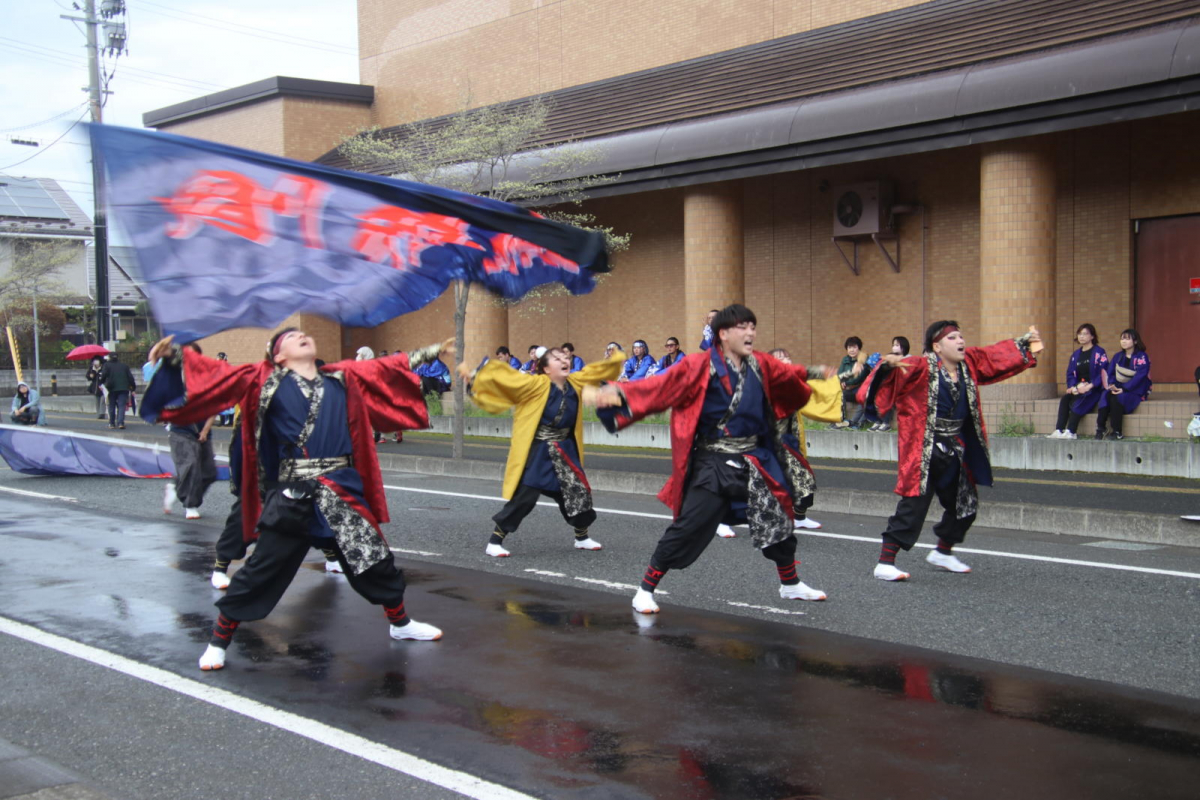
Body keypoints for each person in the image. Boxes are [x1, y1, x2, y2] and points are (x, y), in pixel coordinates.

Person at [142, 327, 451, 671]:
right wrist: (175, 357)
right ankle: (218, 641)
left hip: (341, 490)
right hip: (294, 494)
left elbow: (386, 366)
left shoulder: (340, 378)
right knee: (262, 570)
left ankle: (401, 624)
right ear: (278, 356)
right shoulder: (264, 380)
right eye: (292, 336)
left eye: (306, 333)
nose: (303, 335)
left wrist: (433, 348)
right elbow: (216, 375)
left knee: (376, 561)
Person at [590, 304, 827, 614]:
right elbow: (658, 386)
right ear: (724, 334)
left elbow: (790, 375)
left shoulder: (761, 364)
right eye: (743, 327)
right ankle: (645, 589)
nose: (750, 333)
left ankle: (791, 585)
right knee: (690, 526)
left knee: (778, 522)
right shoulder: (699, 365)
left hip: (756, 461)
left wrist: (820, 373)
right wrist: (615, 394)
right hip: (714, 463)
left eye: (753, 327)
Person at [870, 320, 1041, 581]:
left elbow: (994, 356)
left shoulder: (968, 364)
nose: (960, 341)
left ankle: (943, 551)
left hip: (954, 447)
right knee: (914, 504)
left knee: (966, 505)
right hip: (924, 448)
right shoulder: (919, 366)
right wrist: (886, 366)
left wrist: (1024, 342)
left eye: (961, 336)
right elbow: (887, 380)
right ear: (937, 346)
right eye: (952, 338)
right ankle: (885, 561)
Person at [465, 346, 623, 557]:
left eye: (565, 357)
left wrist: (615, 360)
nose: (564, 359)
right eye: (557, 358)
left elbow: (596, 372)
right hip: (541, 450)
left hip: (566, 449)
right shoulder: (535, 384)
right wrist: (479, 376)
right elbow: (509, 380)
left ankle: (582, 537)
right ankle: (495, 541)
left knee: (576, 493)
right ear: (547, 369)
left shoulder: (574, 383)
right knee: (525, 496)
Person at [161, 346, 218, 520]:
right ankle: (190, 504)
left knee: (209, 473)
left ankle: (177, 486)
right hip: (180, 431)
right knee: (191, 466)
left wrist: (206, 429)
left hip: (203, 430)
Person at [1048, 324, 1107, 440]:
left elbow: (1103, 372)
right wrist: (1073, 387)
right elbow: (1070, 373)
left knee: (1080, 402)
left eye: (1085, 334)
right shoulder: (1076, 355)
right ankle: (1059, 429)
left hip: (1093, 390)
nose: (1082, 337)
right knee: (1065, 399)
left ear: (1092, 336)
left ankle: (1071, 431)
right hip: (1079, 388)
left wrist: (1090, 386)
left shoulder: (1099, 352)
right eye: (1080, 334)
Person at [1096, 329, 1152, 441]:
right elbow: (1110, 372)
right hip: (1118, 387)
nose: (1123, 341)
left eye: (1127, 338)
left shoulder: (1142, 357)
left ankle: (1117, 431)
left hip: (1135, 390)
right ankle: (1101, 428)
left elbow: (1140, 376)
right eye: (1122, 339)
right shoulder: (1118, 356)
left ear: (1135, 341)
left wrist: (1124, 388)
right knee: (1106, 396)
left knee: (1117, 398)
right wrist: (1112, 385)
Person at [858, 336, 910, 432]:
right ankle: (878, 421)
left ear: (904, 346)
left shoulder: (908, 359)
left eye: (897, 345)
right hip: (889, 385)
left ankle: (885, 423)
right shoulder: (890, 358)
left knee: (886, 395)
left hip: (903, 388)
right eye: (893, 345)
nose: (894, 347)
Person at [832, 336, 866, 428]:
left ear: (859, 348)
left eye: (854, 347)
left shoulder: (863, 359)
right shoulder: (845, 359)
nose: (852, 350)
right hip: (847, 390)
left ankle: (854, 423)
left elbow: (859, 377)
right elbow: (840, 374)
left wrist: (846, 382)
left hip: (859, 389)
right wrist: (842, 381)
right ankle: (838, 421)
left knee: (865, 398)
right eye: (849, 347)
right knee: (836, 394)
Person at [99, 353, 136, 430]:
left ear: (109, 357)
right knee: (121, 405)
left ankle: (112, 423)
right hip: (123, 388)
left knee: (111, 405)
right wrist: (133, 387)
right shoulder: (124, 366)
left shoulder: (107, 365)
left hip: (111, 388)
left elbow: (104, 375)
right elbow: (130, 377)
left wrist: (101, 383)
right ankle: (120, 423)